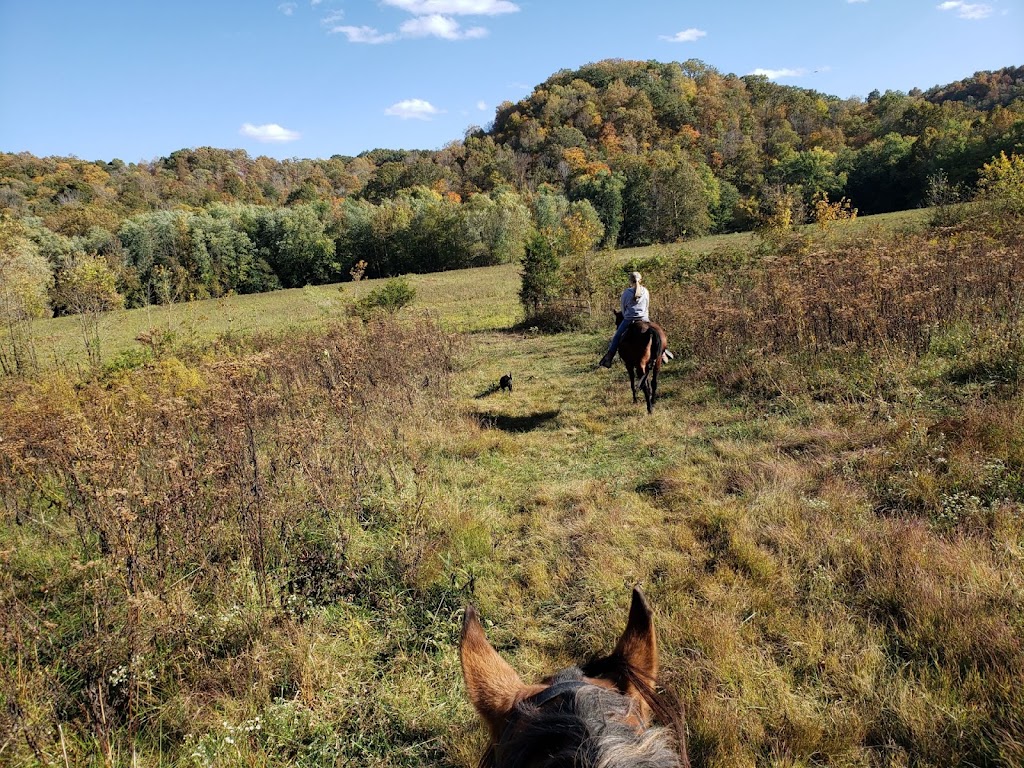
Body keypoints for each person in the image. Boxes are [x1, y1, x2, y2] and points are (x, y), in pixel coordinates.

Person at [599, 271, 649, 368]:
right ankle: (664, 352)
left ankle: (609, 358)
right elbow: (647, 306)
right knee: (656, 331)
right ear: (641, 280)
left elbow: (623, 308)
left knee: (617, 336)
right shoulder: (646, 291)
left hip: (629, 319)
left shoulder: (626, 293)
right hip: (644, 318)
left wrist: (627, 314)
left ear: (630, 281)